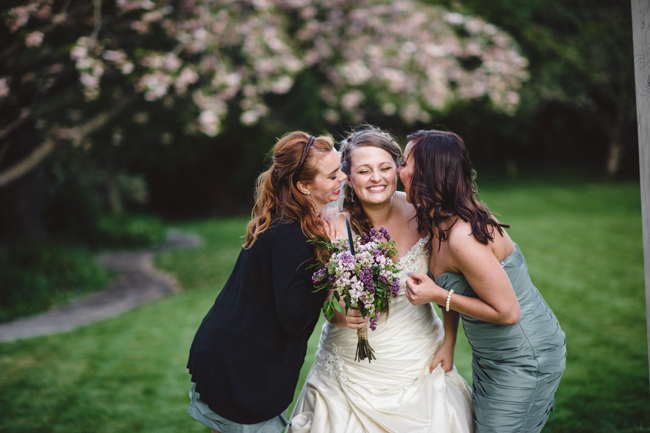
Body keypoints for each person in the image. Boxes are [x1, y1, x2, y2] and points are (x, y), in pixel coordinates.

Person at [288, 126, 474, 433]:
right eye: (364, 170)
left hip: (420, 358)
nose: (376, 178)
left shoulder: (421, 213)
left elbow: (447, 282)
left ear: (398, 170)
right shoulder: (334, 228)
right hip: (352, 368)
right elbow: (328, 306)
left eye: (385, 168)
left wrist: (450, 342)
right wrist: (344, 315)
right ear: (348, 177)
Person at [399, 129, 566, 433]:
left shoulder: (463, 236)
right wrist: (448, 342)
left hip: (525, 355)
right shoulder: (436, 219)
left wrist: (437, 296)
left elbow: (507, 313)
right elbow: (448, 284)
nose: (399, 170)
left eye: (404, 162)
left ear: (428, 171)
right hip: (490, 356)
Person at [186, 131, 346, 433]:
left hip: (234, 355)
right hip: (241, 367)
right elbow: (295, 320)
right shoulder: (291, 234)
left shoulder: (291, 219)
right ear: (303, 186)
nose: (343, 178)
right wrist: (332, 264)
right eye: (333, 174)